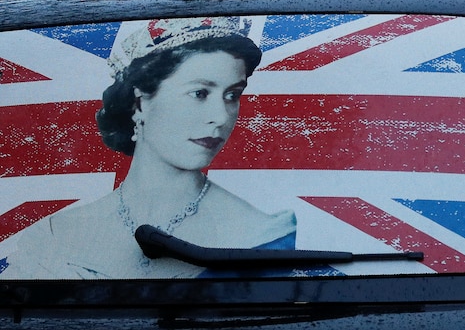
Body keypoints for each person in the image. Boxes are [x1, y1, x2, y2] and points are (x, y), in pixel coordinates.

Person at [4, 17, 297, 279]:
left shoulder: (264, 235)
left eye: (232, 95)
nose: (221, 117)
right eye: (199, 93)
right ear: (141, 101)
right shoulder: (55, 234)